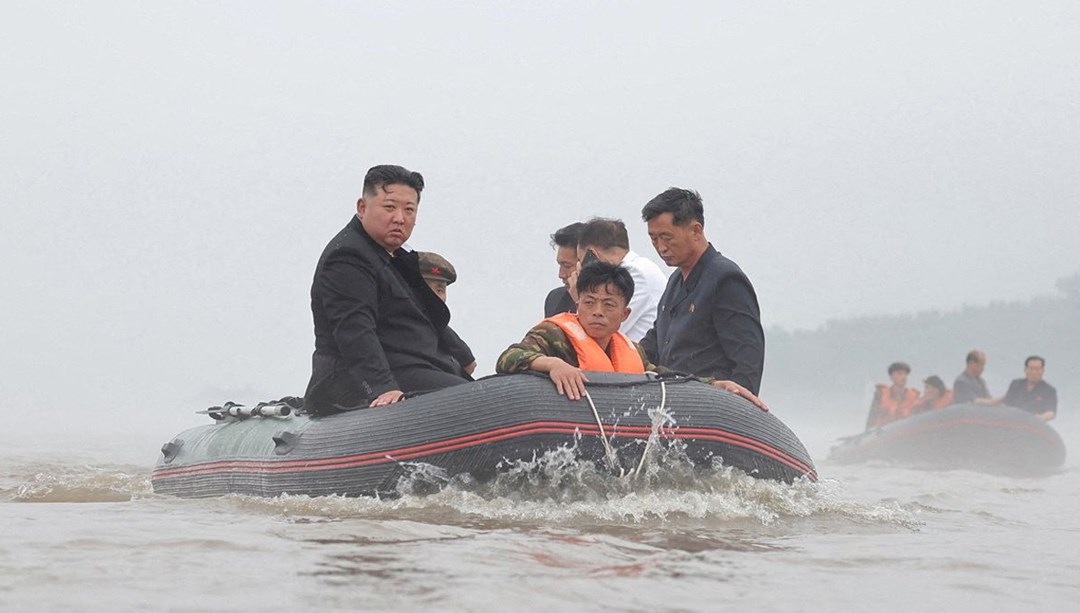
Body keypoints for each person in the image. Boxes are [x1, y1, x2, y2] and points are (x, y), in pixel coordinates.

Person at [305, 164, 469, 414]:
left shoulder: (396, 258)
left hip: (416, 367)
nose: (400, 218)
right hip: (358, 380)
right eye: (389, 207)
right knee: (465, 398)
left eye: (409, 210)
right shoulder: (348, 257)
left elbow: (421, 315)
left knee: (489, 394)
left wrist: (461, 355)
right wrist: (382, 387)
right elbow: (354, 329)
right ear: (362, 208)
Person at [497, 261, 766, 410]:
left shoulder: (630, 351)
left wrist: (715, 385)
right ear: (578, 304)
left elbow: (665, 376)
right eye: (589, 302)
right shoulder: (553, 334)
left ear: (625, 315)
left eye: (608, 305)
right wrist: (553, 364)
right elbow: (510, 358)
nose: (597, 312)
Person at [637, 188, 766, 395]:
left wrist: (739, 407)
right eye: (654, 239)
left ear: (696, 231)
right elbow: (654, 344)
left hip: (710, 407)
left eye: (667, 237)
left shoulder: (725, 279)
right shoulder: (674, 281)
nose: (660, 247)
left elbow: (747, 360)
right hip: (672, 403)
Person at [573, 217, 668, 342]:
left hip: (637, 357)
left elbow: (596, 332)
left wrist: (579, 293)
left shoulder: (635, 273)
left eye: (581, 260)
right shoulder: (642, 266)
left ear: (592, 255)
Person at [418, 251, 477, 376]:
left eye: (440, 290)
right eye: (426, 288)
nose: (434, 296)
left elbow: (470, 364)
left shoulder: (440, 327)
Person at [543, 222, 584, 317]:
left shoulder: (613, 303)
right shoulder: (555, 299)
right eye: (560, 265)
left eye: (567, 266)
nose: (561, 274)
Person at [865, 361, 921, 429]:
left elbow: (919, 418)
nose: (903, 377)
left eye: (905, 374)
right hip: (883, 435)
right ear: (891, 377)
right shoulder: (881, 394)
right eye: (899, 373)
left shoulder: (914, 397)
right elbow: (871, 418)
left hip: (905, 434)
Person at [1003, 355, 1057, 421]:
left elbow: (1051, 412)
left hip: (1033, 425)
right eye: (1031, 369)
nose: (1034, 372)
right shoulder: (1015, 384)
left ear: (1042, 371)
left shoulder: (1049, 390)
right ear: (1025, 370)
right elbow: (1006, 404)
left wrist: (1040, 418)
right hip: (1013, 421)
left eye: (1037, 369)